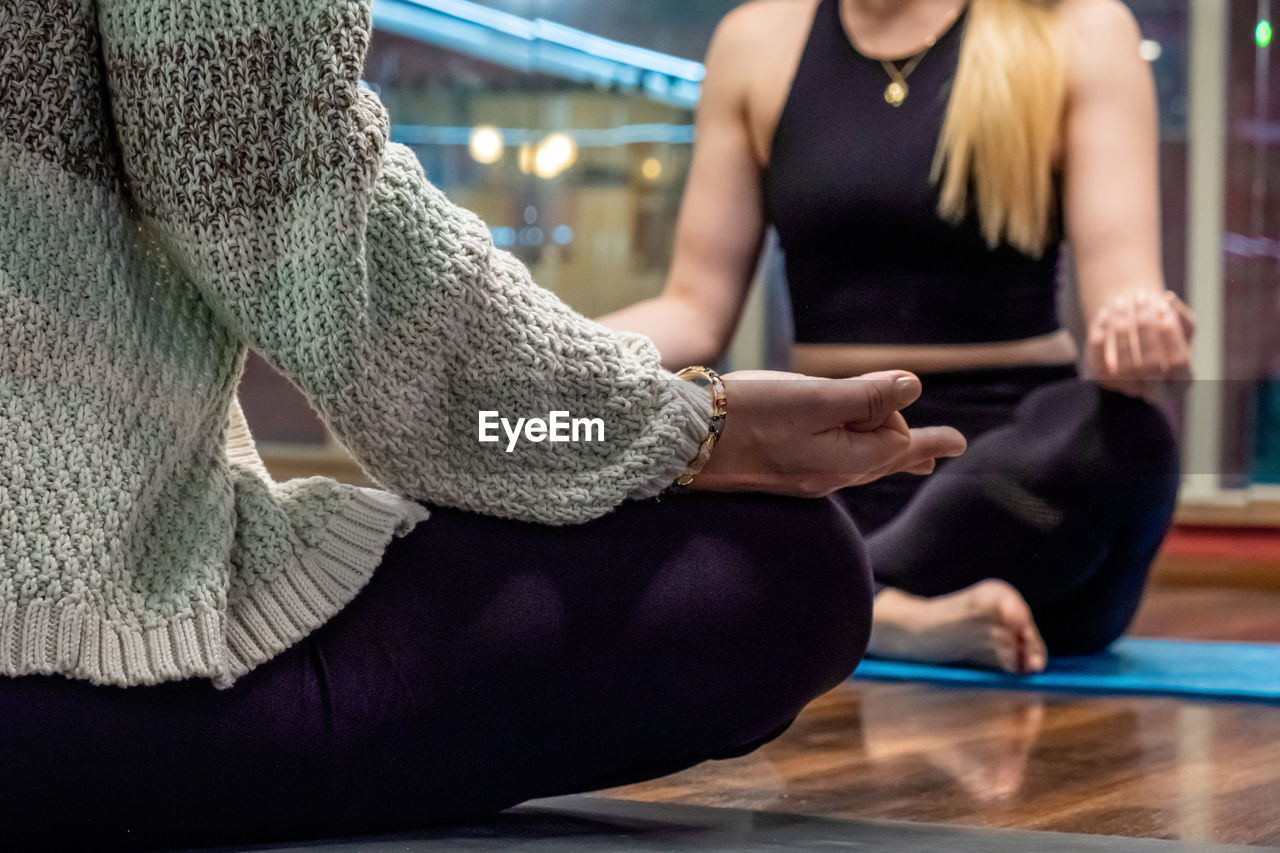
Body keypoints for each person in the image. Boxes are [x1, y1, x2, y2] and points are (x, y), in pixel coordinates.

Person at [0, 0, 968, 847]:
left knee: (1100, 441)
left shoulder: (1058, 35)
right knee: (782, 571)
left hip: (1000, 413)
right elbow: (251, 172)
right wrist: (665, 425)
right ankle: (912, 598)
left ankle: (921, 590)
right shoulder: (758, 39)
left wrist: (649, 420)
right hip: (43, 645)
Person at [602, 0, 1193, 675]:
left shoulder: (1080, 27)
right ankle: (885, 608)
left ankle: (843, 597)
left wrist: (1142, 334)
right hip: (832, 466)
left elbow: (1125, 295)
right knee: (681, 447)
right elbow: (693, 308)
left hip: (1021, 488)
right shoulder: (754, 42)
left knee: (1129, 436)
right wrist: (546, 343)